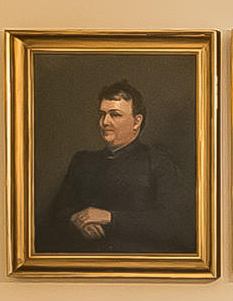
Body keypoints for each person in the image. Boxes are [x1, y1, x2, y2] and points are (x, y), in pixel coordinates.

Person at [40, 79, 173, 252]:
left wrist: (110, 217)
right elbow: (56, 214)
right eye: (102, 114)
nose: (105, 122)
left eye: (115, 115)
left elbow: (172, 223)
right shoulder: (82, 161)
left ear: (136, 121)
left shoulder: (158, 163)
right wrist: (76, 220)